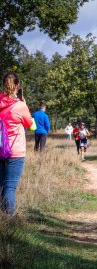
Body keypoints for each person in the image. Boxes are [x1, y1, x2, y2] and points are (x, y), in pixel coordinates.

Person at [0, 72, 36, 215]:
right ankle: (9, 220)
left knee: (2, 186)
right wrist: (25, 105)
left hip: (1, 148)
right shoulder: (20, 106)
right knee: (10, 187)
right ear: (17, 86)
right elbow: (31, 126)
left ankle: (2, 219)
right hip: (15, 151)